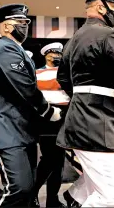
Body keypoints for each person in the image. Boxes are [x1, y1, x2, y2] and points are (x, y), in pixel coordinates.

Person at [56, 0, 114, 207]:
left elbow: (63, 78)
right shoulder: (110, 35)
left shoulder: (74, 38)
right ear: (102, 8)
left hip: (80, 118)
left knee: (92, 189)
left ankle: (74, 199)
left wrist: (83, 98)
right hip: (99, 122)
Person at [0, 4, 62, 207]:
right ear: (6, 27)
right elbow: (24, 86)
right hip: (5, 128)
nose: (26, 26)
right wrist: (48, 110)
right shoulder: (6, 50)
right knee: (18, 187)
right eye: (21, 23)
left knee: (27, 189)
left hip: (22, 129)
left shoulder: (16, 50)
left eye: (27, 22)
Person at [34, 42, 69, 207]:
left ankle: (52, 199)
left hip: (64, 118)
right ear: (45, 54)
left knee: (59, 161)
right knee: (49, 159)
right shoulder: (36, 73)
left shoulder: (67, 73)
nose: (56, 55)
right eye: (53, 53)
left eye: (59, 53)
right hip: (46, 120)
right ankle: (32, 193)